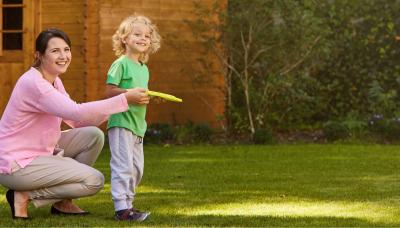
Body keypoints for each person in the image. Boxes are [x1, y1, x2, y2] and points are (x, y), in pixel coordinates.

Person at [0, 28, 150, 219]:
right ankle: (24, 195)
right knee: (94, 180)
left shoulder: (54, 80)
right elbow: (75, 111)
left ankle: (63, 202)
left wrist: (121, 106)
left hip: (39, 152)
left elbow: (77, 120)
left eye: (66, 49)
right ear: (39, 56)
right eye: (55, 51)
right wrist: (125, 99)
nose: (63, 56)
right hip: (16, 164)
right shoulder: (34, 84)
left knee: (94, 136)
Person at [105, 15, 161, 222]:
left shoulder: (143, 68)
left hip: (138, 126)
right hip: (121, 124)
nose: (143, 38)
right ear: (124, 39)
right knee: (123, 166)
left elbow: (139, 96)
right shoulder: (120, 64)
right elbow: (110, 91)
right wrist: (129, 94)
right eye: (137, 34)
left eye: (147, 35)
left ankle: (128, 203)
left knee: (137, 168)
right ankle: (122, 208)